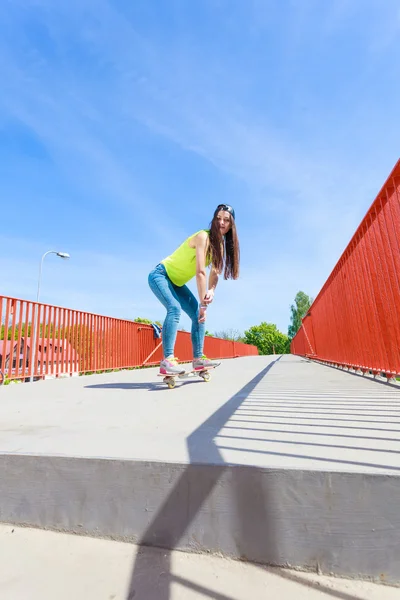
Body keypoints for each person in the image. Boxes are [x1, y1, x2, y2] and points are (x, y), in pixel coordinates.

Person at [148, 204, 240, 375]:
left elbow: (214, 274)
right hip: (160, 275)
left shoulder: (219, 247)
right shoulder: (202, 237)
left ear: (231, 225)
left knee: (198, 315)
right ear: (213, 220)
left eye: (226, 220)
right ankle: (167, 360)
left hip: (176, 282)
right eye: (218, 218)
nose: (221, 222)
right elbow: (200, 273)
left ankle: (198, 359)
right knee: (174, 308)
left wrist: (211, 290)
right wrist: (203, 304)